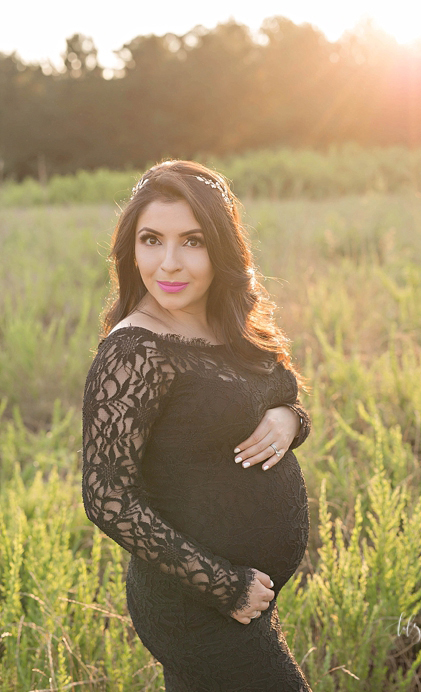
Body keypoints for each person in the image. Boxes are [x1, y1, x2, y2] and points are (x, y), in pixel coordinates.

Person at [80, 160, 313, 690]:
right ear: (130, 247)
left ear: (221, 248)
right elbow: (105, 496)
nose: (168, 263)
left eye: (192, 241)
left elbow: (283, 395)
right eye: (151, 239)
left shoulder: (229, 323)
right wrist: (224, 585)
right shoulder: (133, 350)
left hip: (239, 602)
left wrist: (290, 419)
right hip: (195, 605)